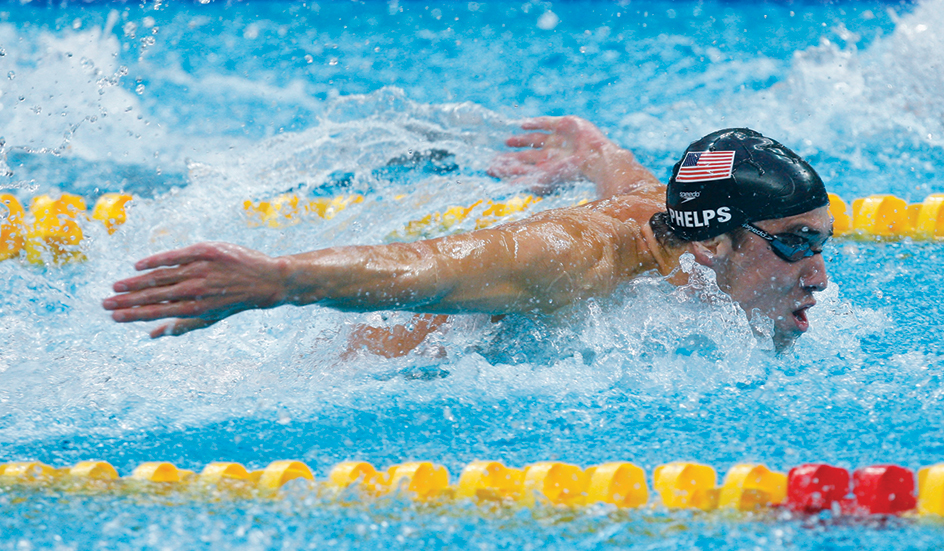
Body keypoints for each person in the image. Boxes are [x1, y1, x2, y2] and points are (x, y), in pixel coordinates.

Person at [102, 116, 831, 353]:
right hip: (363, 367)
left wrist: (594, 151)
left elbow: (634, 181)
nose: (820, 275)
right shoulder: (574, 256)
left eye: (823, 242)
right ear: (715, 242)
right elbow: (428, 265)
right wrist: (280, 281)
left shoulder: (672, 220)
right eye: (796, 243)